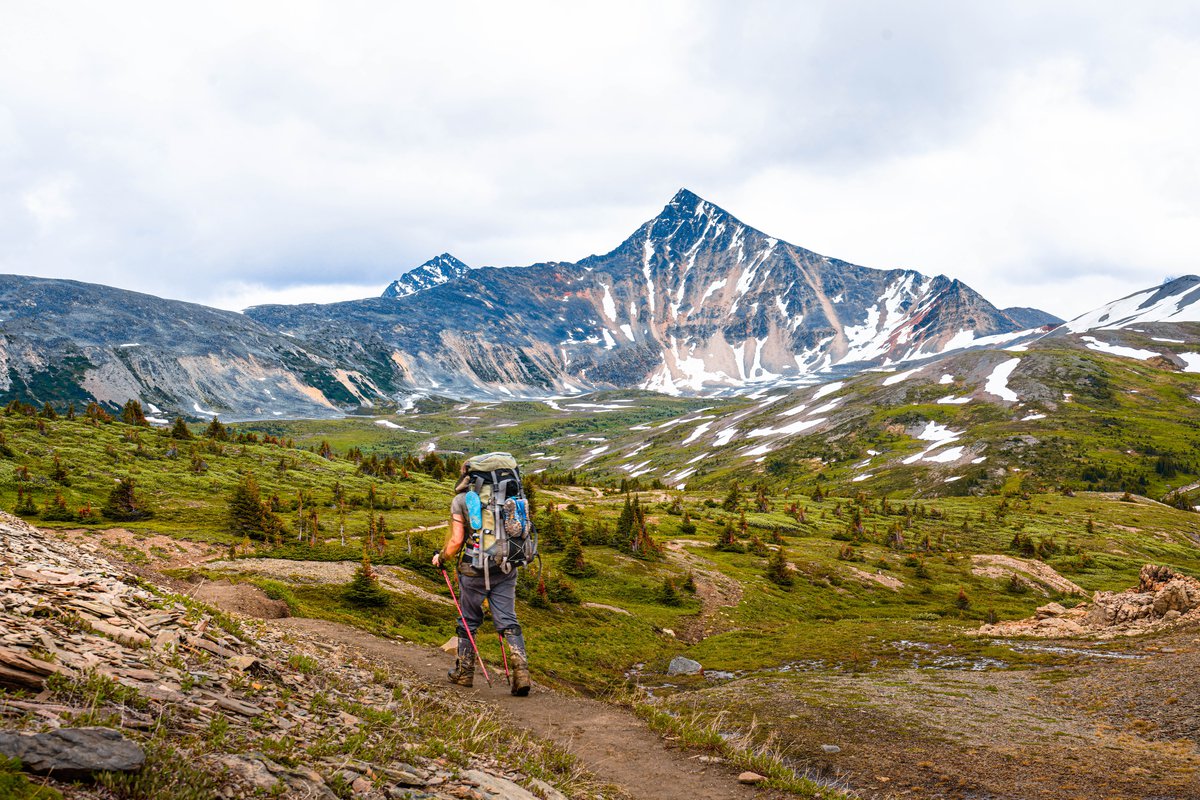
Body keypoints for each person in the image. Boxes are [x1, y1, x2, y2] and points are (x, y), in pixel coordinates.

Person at [432, 461, 531, 696]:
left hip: (472, 568)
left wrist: (441, 557)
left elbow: (456, 541)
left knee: (467, 619)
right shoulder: (512, 495)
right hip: (505, 565)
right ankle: (521, 673)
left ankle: (465, 672)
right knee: (508, 619)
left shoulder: (461, 500)